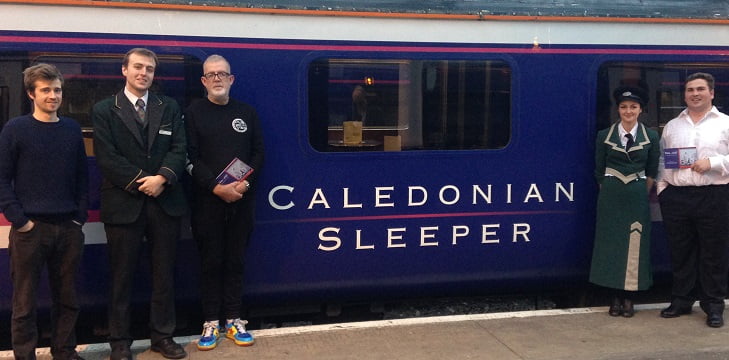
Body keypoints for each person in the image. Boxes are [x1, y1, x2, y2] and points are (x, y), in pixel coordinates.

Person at [92, 48, 188, 359]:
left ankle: (163, 336)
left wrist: (163, 178)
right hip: (124, 203)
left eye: (148, 68)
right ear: (124, 70)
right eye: (137, 67)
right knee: (121, 276)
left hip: (165, 201)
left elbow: (179, 147)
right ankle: (120, 342)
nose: (143, 73)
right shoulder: (105, 109)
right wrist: (141, 181)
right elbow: (107, 157)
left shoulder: (169, 107)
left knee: (165, 275)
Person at [0, 63, 88, 360]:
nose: (53, 96)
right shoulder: (15, 130)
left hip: (68, 228)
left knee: (68, 299)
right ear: (31, 93)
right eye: (46, 90)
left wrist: (78, 217)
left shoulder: (72, 130)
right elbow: (1, 178)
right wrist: (20, 220)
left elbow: (81, 178)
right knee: (24, 302)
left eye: (57, 90)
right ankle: (25, 355)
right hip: (30, 230)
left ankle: (65, 351)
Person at [185, 54, 264, 351]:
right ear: (204, 81)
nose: (217, 78)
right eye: (211, 74)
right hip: (208, 202)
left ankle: (233, 319)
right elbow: (190, 157)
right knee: (211, 262)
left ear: (231, 79)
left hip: (242, 201)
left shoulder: (248, 112)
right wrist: (217, 188)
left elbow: (258, 154)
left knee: (235, 261)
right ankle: (210, 322)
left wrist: (242, 185)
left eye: (222, 74)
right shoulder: (193, 113)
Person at [656, 72, 729, 328]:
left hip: (714, 195)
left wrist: (715, 162)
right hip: (677, 196)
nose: (695, 94)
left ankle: (713, 305)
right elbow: (663, 159)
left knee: (713, 253)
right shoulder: (673, 126)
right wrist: (663, 188)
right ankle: (682, 300)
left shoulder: (725, 124)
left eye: (700, 89)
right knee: (681, 251)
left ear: (712, 93)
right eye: (690, 90)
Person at [589, 86, 660, 318]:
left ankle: (629, 297)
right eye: (623, 107)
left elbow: (651, 171)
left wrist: (639, 189)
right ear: (617, 109)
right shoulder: (604, 136)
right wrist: (612, 187)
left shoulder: (651, 136)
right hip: (611, 194)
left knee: (635, 243)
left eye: (633, 107)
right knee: (610, 244)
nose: (628, 111)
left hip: (637, 194)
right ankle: (614, 297)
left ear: (641, 110)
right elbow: (599, 171)